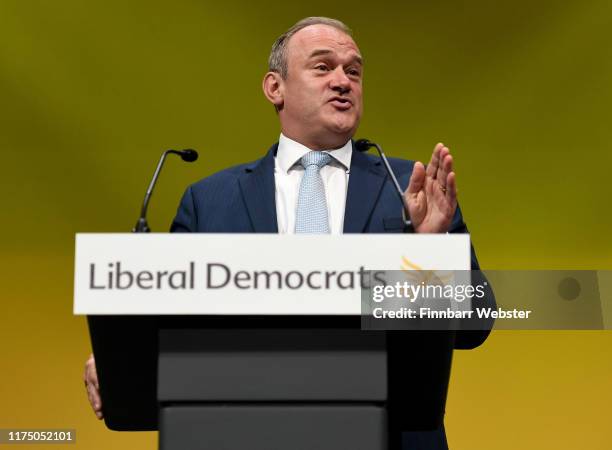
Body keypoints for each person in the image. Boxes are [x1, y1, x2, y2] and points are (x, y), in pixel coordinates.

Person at [84, 16, 489, 449]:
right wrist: (118, 361)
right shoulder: (210, 201)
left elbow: (475, 324)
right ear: (274, 87)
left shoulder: (409, 186)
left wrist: (427, 256)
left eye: (353, 71)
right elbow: (168, 325)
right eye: (322, 67)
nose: (342, 81)